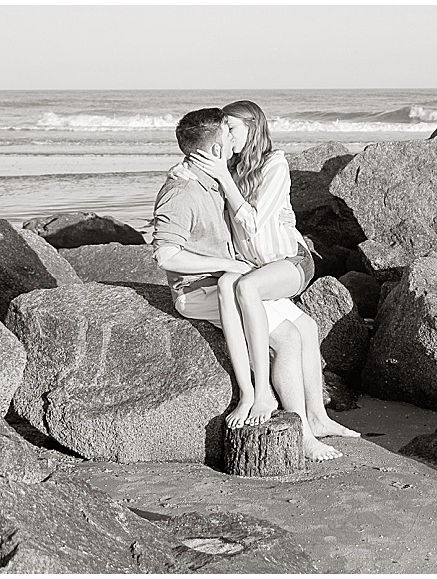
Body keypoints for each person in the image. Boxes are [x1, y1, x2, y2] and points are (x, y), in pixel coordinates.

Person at [153, 107, 357, 461]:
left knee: (306, 327)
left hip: (232, 278)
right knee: (288, 341)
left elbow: (258, 209)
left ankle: (317, 418)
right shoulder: (183, 190)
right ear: (216, 149)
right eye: (226, 135)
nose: (233, 141)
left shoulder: (216, 176)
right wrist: (227, 263)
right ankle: (303, 434)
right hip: (202, 288)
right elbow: (166, 256)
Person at [178, 101, 315, 429]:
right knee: (305, 327)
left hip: (289, 260)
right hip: (256, 265)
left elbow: (252, 224)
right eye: (224, 129)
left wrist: (225, 178)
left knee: (246, 288)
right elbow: (200, 162)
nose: (227, 134)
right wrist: (182, 171)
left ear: (252, 127)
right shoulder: (236, 166)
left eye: (232, 127)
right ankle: (317, 419)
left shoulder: (274, 166)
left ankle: (262, 392)